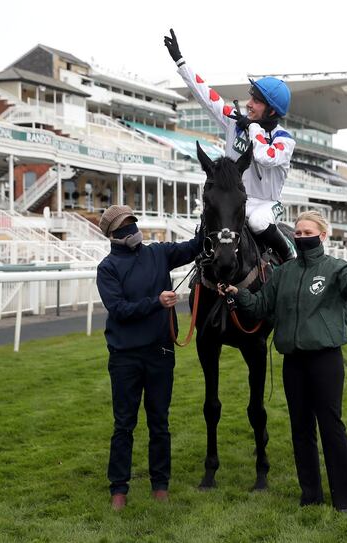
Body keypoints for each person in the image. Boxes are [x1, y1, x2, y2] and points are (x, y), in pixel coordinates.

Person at [220, 211, 347, 512]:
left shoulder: (335, 268)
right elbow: (262, 305)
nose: (301, 237)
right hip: (293, 362)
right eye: (298, 233)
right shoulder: (284, 273)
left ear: (323, 235)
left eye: (307, 232)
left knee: (332, 428)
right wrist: (238, 294)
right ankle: (310, 495)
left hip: (325, 360)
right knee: (300, 429)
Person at [96, 204, 201, 511]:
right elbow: (119, 310)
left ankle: (160, 484)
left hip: (160, 352)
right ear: (112, 235)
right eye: (124, 226)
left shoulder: (158, 253)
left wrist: (209, 216)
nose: (131, 230)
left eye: (132, 223)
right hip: (125, 357)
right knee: (124, 424)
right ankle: (119, 488)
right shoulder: (108, 268)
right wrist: (156, 302)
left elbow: (194, 247)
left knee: (160, 421)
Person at [164, 28, 296, 261]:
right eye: (251, 97)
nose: (249, 104)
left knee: (257, 222)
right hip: (233, 200)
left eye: (257, 101)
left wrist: (252, 127)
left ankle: (291, 257)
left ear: (272, 110)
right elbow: (207, 96)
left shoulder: (284, 140)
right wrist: (181, 61)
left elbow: (265, 156)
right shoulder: (234, 121)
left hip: (266, 205)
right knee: (209, 225)